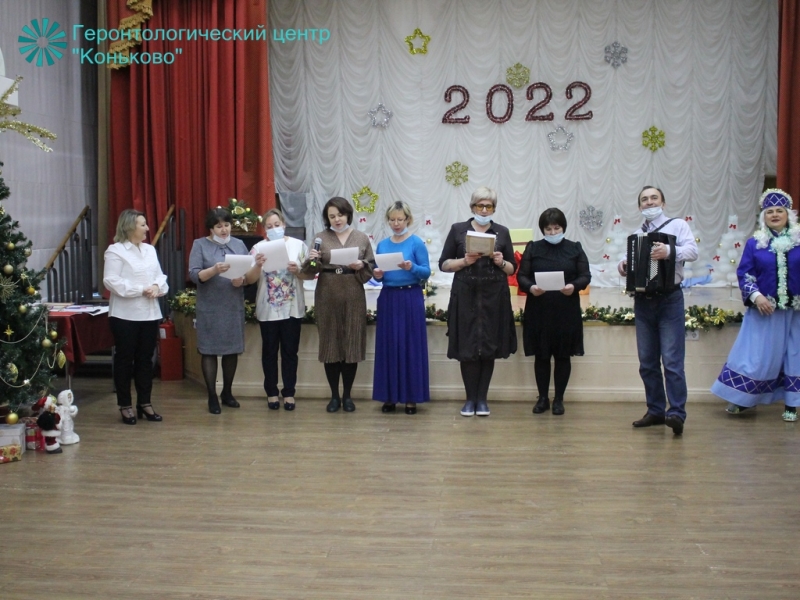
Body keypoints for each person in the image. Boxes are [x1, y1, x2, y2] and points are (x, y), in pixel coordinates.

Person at [711, 189, 800, 422]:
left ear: (788, 215)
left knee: (795, 354)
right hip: (764, 311)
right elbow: (745, 273)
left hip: (796, 312)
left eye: (779, 211)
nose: (774, 215)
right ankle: (744, 399)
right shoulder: (755, 244)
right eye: (769, 211)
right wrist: (757, 296)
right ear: (763, 217)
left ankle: (792, 404)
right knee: (756, 356)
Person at [618, 186, 698, 435]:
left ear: (663, 203)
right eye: (644, 199)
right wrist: (623, 266)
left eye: (654, 198)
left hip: (669, 299)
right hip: (643, 302)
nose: (649, 202)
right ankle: (655, 410)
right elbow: (627, 262)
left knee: (672, 361)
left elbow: (693, 252)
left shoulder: (677, 225)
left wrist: (670, 251)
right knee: (647, 362)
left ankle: (676, 413)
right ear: (639, 206)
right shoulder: (636, 235)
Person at [438, 186, 517, 417]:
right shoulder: (458, 230)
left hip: (494, 296)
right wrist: (464, 261)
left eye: (488, 206)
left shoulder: (502, 232)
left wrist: (501, 262)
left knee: (488, 346)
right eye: (480, 205)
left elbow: (512, 269)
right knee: (468, 347)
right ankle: (469, 399)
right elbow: (443, 264)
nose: (484, 210)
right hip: (465, 295)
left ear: (494, 208)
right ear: (472, 207)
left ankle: (482, 399)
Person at [302, 197, 375, 413]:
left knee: (351, 342)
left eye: (340, 215)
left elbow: (370, 267)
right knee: (330, 344)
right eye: (332, 216)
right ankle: (334, 396)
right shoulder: (320, 237)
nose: (337, 219)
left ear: (348, 215)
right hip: (327, 292)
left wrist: (361, 264)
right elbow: (310, 270)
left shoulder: (361, 238)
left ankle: (347, 396)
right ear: (327, 218)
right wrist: (313, 259)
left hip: (353, 293)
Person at [517, 208, 590, 416]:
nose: (552, 232)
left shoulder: (575, 248)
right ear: (542, 230)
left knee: (562, 356)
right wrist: (531, 287)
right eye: (548, 229)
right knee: (541, 356)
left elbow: (585, 275)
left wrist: (573, 286)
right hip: (539, 309)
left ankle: (559, 399)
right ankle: (542, 398)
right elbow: (522, 276)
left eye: (556, 228)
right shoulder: (533, 248)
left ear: (563, 228)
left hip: (566, 309)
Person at [103, 209, 168, 425]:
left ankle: (145, 403)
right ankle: (125, 405)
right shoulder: (116, 250)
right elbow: (111, 280)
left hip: (149, 313)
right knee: (124, 359)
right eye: (143, 224)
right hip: (125, 315)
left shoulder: (149, 250)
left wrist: (157, 286)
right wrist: (141, 289)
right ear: (130, 227)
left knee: (145, 359)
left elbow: (160, 276)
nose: (147, 228)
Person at [246, 208, 311, 411]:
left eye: (277, 225)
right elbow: (249, 279)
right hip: (268, 309)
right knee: (269, 352)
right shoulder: (258, 248)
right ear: (264, 229)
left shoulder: (298, 245)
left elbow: (309, 275)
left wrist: (298, 271)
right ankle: (271, 392)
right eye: (269, 226)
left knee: (290, 352)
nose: (274, 229)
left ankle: (289, 393)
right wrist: (257, 265)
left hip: (292, 308)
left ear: (284, 224)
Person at [189, 207, 252, 414]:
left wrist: (242, 280)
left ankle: (227, 392)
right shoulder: (199, 244)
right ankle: (211, 396)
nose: (224, 230)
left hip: (232, 305)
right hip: (210, 307)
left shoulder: (239, 244)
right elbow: (194, 275)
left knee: (231, 350)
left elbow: (249, 273)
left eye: (227, 225)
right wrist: (214, 270)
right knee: (209, 351)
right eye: (218, 226)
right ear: (210, 228)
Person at [371, 201, 432, 415]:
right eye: (392, 220)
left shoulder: (416, 243)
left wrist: (411, 267)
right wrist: (377, 275)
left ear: (408, 220)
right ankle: (389, 396)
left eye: (400, 219)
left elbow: (426, 272)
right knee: (389, 345)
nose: (396, 223)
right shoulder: (382, 245)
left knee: (410, 346)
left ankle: (411, 398)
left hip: (410, 297)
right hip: (389, 297)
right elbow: (379, 274)